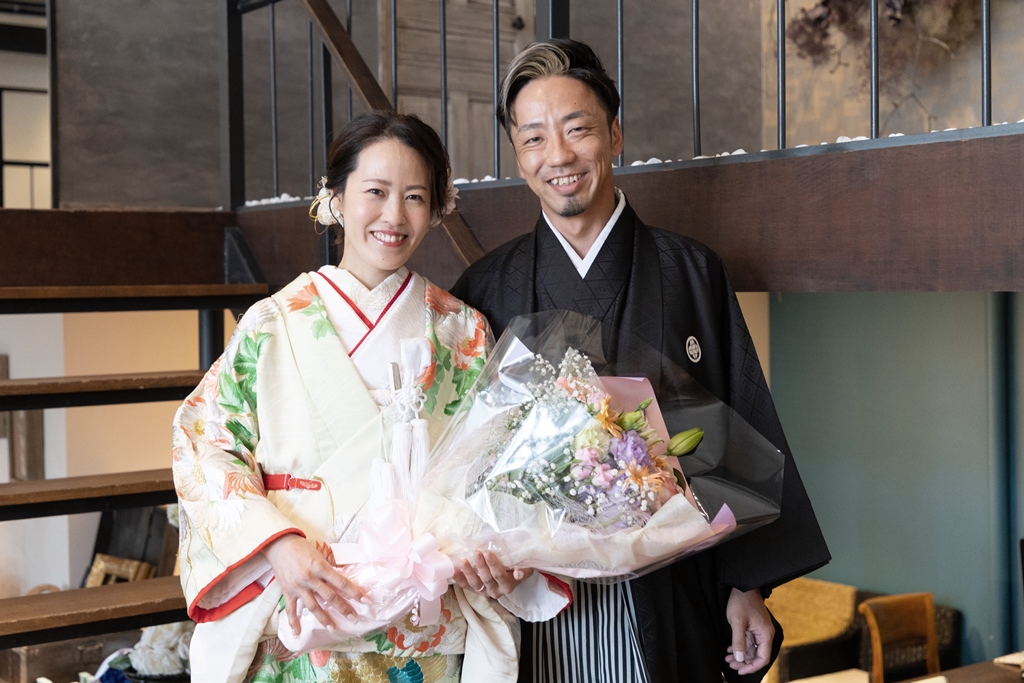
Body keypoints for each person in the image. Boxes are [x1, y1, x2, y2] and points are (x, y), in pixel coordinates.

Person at [450, 39, 831, 683]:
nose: (558, 156)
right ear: (518, 155)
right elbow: (462, 457)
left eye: (577, 129)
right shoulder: (486, 288)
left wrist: (746, 586)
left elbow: (740, 430)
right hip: (535, 602)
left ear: (615, 135)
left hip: (666, 592)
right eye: (534, 138)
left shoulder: (690, 273)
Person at [173, 111, 569, 683]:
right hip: (302, 599)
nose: (394, 216)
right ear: (336, 199)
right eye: (375, 192)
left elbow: (500, 466)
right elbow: (204, 444)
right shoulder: (271, 323)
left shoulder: (462, 330)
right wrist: (277, 546)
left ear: (436, 208)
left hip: (421, 621)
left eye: (415, 197)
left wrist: (496, 551)